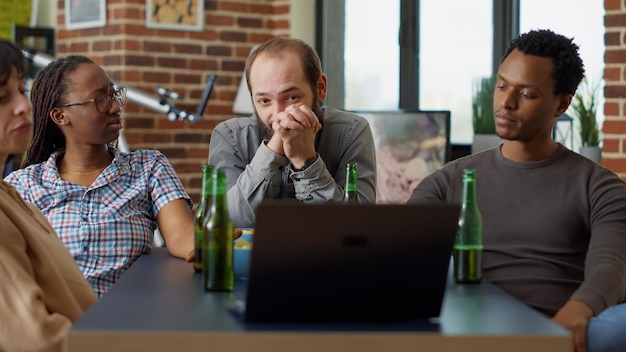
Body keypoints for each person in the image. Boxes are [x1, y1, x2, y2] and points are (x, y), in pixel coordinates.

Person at [408, 29, 626, 352]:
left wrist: (579, 311)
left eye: (526, 94)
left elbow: (612, 264)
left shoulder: (599, 186)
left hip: (565, 331)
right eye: (501, 86)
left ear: (561, 103)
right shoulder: (448, 181)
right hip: (471, 330)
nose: (506, 103)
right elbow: (403, 250)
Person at [4, 55, 195, 297]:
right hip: (56, 322)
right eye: (101, 100)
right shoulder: (24, 186)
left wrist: (207, 246)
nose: (115, 107)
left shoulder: (148, 167)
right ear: (60, 116)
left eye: (115, 95)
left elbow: (181, 233)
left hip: (129, 320)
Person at [208, 37, 377, 227]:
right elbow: (224, 224)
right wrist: (273, 150)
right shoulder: (230, 136)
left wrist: (306, 161)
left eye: (291, 97)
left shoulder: (351, 131)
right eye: (264, 101)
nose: (278, 114)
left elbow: (358, 226)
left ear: (320, 88)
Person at [0, 39, 97, 351]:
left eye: (21, 88)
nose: (24, 105)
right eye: (2, 97)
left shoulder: (12, 198)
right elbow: (36, 341)